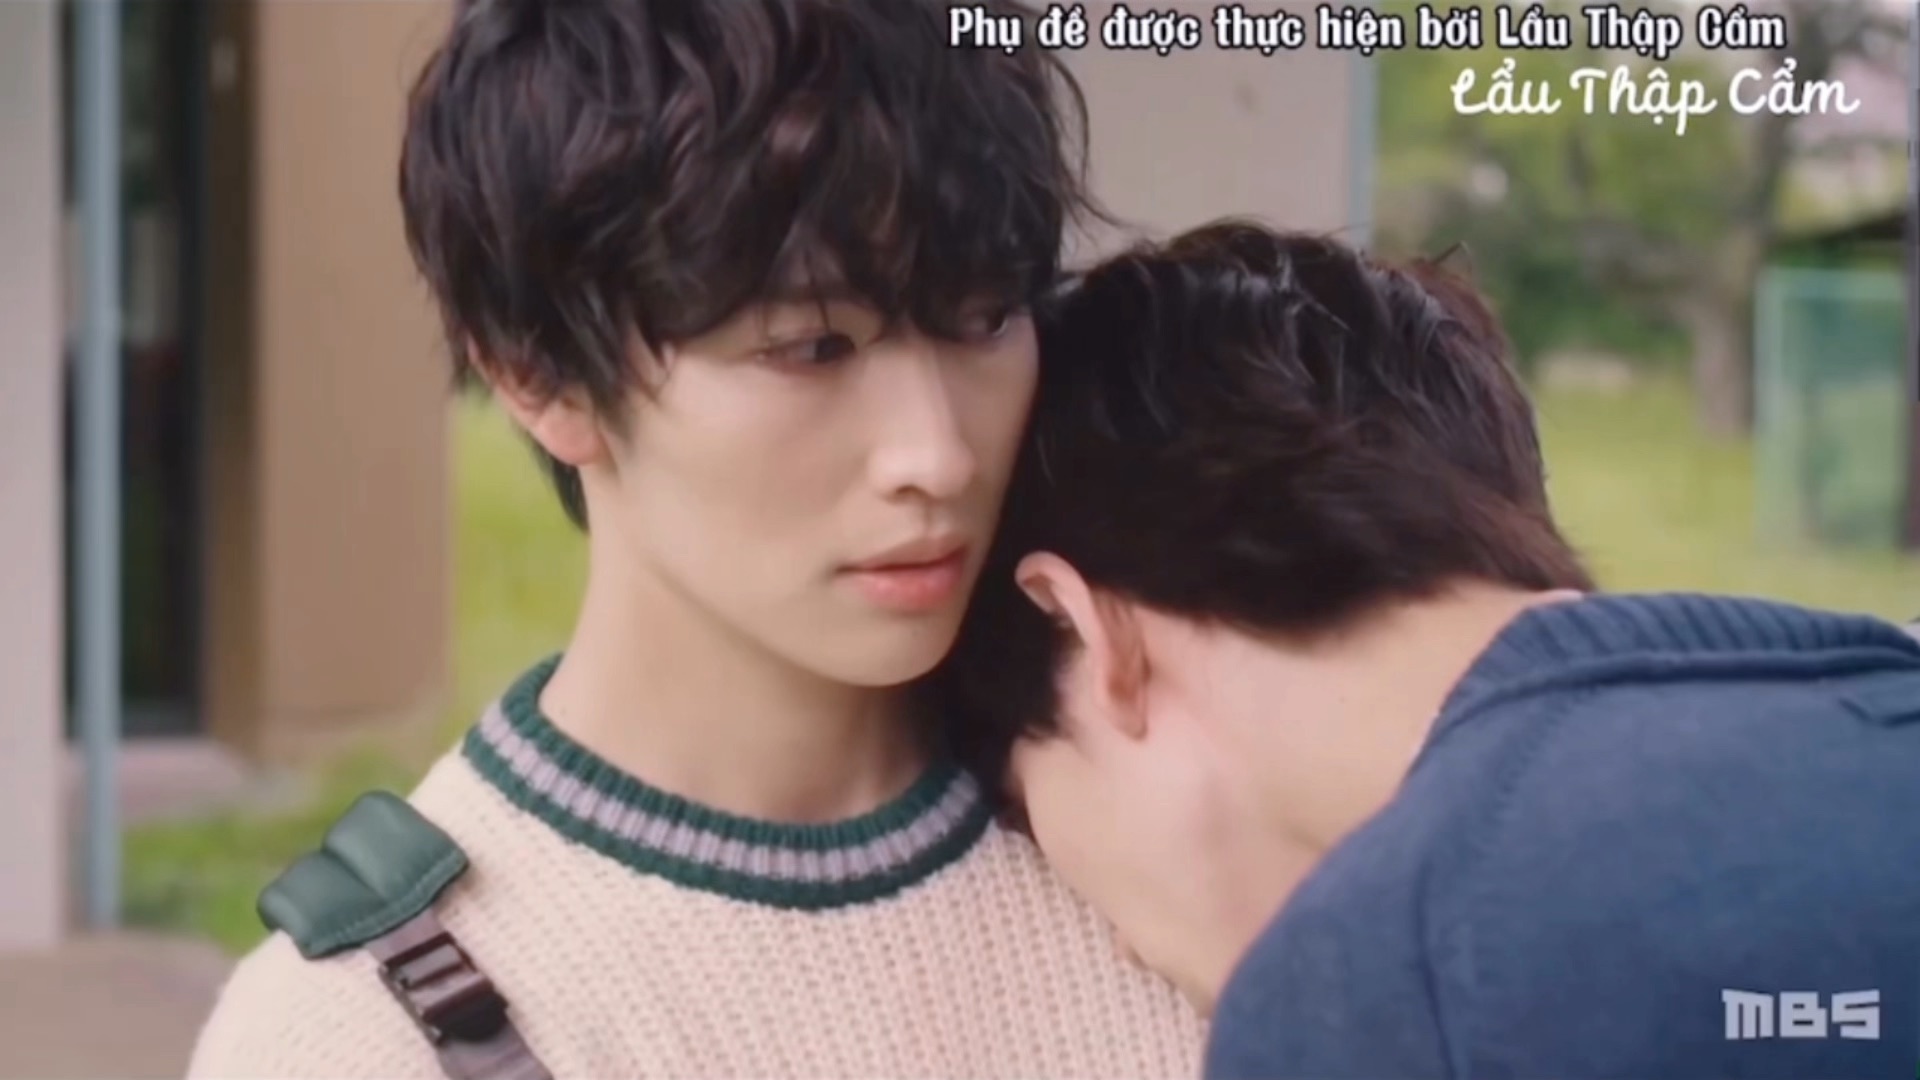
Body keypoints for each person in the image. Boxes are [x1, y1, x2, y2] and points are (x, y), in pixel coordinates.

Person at [185, 2, 1207, 1076]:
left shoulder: (1186, 869)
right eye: (815, 347)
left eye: (987, 317)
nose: (939, 454)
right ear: (539, 374)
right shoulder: (361, 1036)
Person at [940, 220, 1920, 1079]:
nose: (1116, 946)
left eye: (1025, 803)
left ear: (1083, 625)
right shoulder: (1871, 709)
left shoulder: (1378, 995)